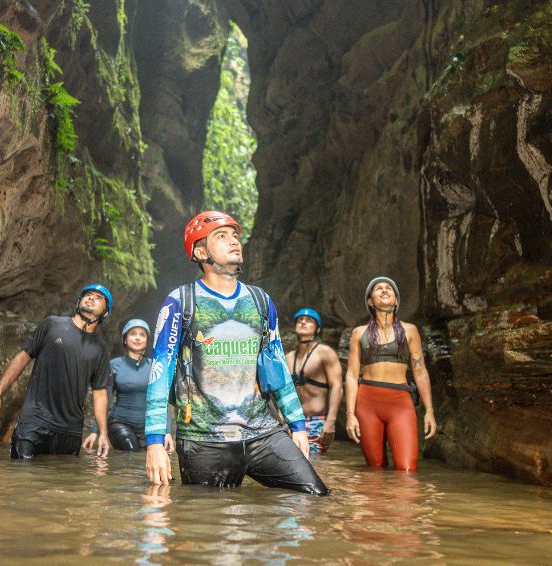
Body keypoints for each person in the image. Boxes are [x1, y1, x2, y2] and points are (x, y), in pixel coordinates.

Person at [143, 210, 328, 495]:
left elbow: (276, 364)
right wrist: (155, 441)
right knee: (211, 523)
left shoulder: (260, 301)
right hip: (204, 440)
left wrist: (297, 425)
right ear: (200, 251)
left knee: (316, 497)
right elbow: (160, 371)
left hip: (263, 432)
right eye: (221, 236)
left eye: (235, 236)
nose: (234, 241)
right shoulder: (180, 302)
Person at [0, 284, 114, 459]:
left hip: (70, 430)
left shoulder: (100, 349)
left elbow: (99, 393)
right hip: (34, 421)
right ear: (78, 301)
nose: (91, 298)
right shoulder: (52, 324)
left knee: (60, 482)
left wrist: (103, 433)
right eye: (88, 295)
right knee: (19, 477)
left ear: (105, 313)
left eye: (99, 298)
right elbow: (23, 358)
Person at [344, 277, 436, 471]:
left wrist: (429, 411)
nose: (384, 291)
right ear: (370, 301)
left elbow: (420, 371)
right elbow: (352, 376)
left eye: (389, 289)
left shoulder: (410, 330)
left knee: (407, 469)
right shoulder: (358, 333)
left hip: (400, 401)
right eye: (378, 289)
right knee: (375, 468)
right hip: (367, 402)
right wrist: (350, 414)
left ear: (396, 300)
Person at [83, 319, 175, 453]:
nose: (137, 338)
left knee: (146, 460)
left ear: (147, 341)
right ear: (125, 340)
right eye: (133, 333)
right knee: (131, 452)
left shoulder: (155, 367)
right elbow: (105, 398)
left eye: (142, 334)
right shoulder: (114, 365)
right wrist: (95, 431)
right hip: (120, 424)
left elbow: (161, 401)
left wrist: (167, 432)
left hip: (148, 427)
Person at [284, 307, 343, 456]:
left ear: (317, 329)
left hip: (316, 421)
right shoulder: (288, 357)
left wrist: (331, 421)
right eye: (299, 320)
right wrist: (281, 421)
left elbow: (337, 386)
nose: (303, 322)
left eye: (309, 320)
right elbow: (284, 392)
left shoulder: (325, 352)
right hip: (291, 423)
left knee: (316, 466)